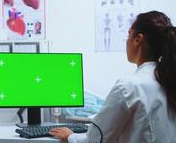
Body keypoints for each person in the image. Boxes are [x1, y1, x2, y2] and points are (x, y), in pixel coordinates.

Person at [50, 11, 176, 142]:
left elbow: (95, 140)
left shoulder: (129, 86)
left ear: (138, 39)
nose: (126, 41)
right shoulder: (169, 79)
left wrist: (70, 136)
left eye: (128, 35)